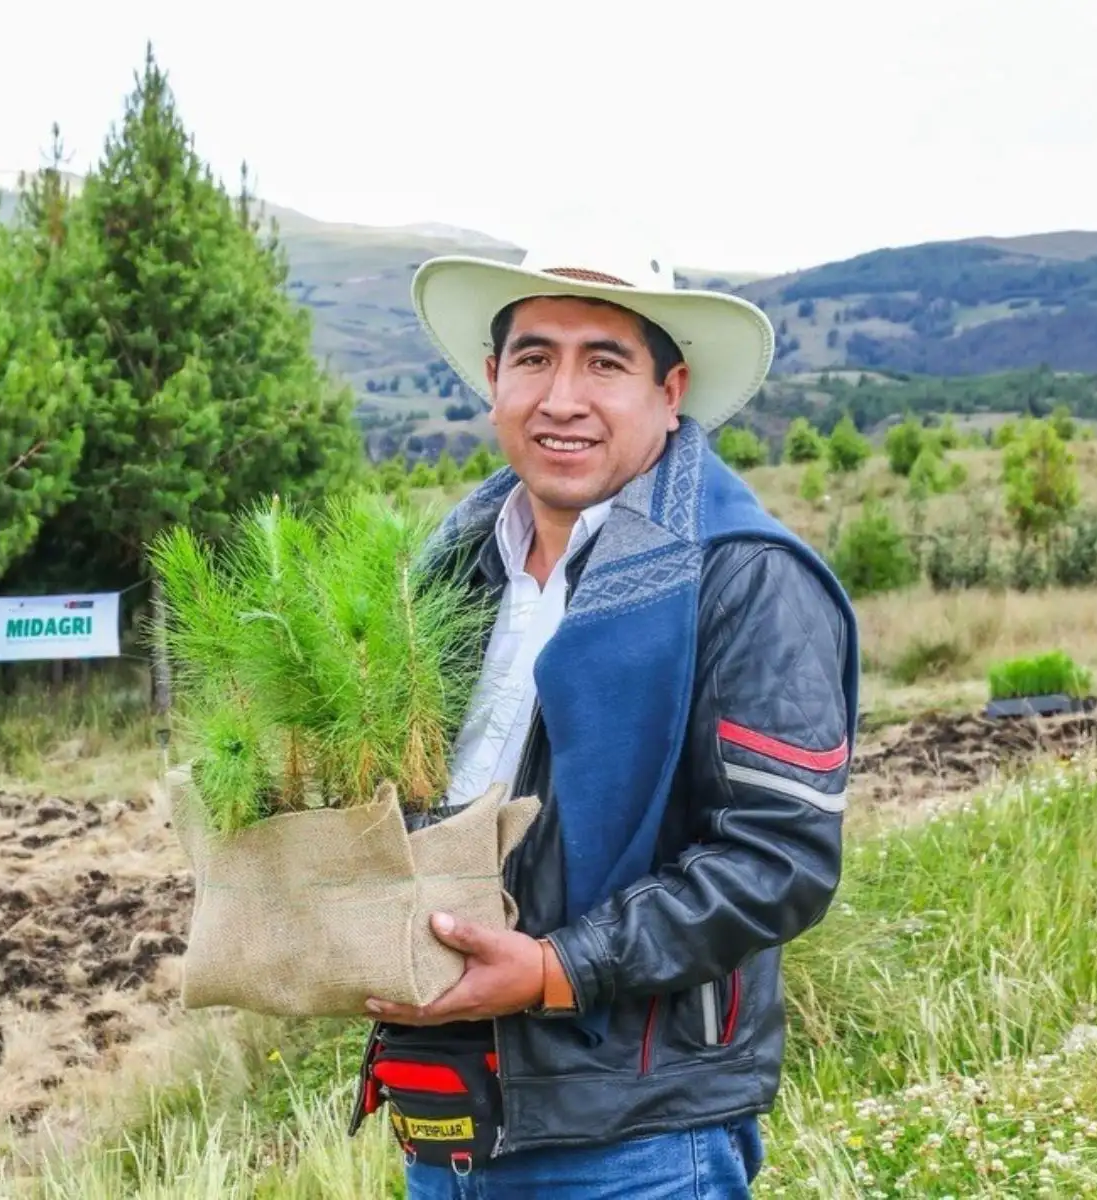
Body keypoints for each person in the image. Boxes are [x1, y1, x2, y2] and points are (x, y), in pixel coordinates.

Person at [349, 246, 860, 1198]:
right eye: (535, 358)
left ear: (671, 391)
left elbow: (778, 860)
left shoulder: (744, 578)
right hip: (446, 1117)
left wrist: (553, 968)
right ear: (495, 379)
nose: (563, 397)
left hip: (638, 1142)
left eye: (606, 362)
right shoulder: (448, 576)